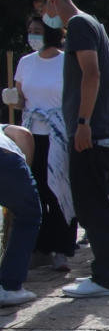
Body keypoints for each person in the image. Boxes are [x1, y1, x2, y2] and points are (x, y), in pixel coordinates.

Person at [30, 0, 109, 298]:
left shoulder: (81, 26)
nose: (44, 17)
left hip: (90, 130)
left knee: (90, 204)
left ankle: (104, 277)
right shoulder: (91, 24)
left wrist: (83, 122)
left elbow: (92, 73)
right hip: (97, 129)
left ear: (51, 1)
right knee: (98, 202)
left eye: (41, 9)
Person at [3, 14, 76, 272]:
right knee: (34, 191)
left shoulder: (67, 61)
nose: (33, 35)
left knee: (58, 190)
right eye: (30, 30)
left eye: (38, 30)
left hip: (58, 135)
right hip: (30, 134)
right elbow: (21, 99)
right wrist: (13, 99)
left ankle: (61, 248)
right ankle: (39, 246)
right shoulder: (25, 62)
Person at [0, 125, 42, 307]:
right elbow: (23, 134)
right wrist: (24, 179)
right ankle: (9, 286)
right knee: (29, 215)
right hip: (5, 158)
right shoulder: (5, 128)